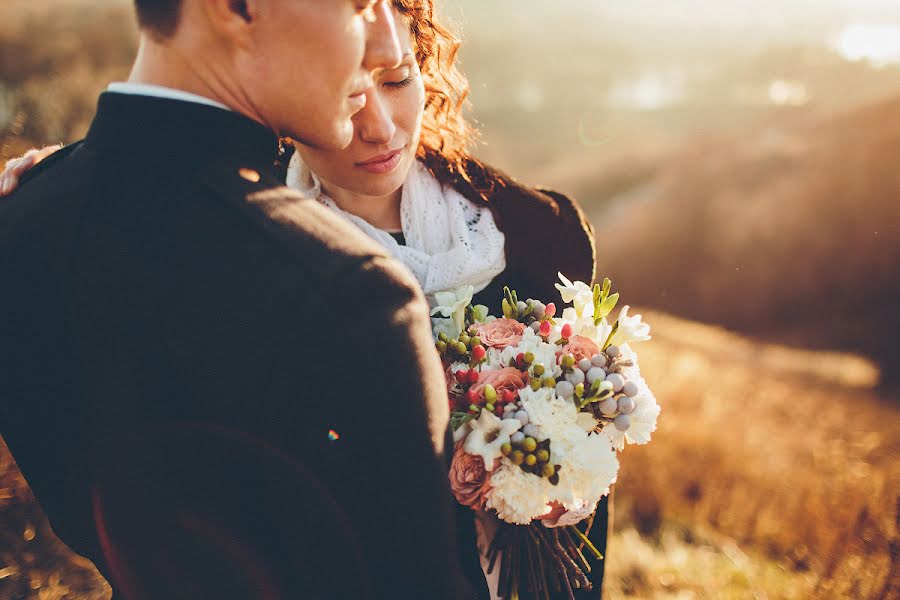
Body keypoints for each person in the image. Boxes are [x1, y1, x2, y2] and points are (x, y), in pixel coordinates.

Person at [2, 1, 608, 598]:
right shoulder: (298, 270)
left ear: (429, 70)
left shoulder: (541, 231)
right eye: (351, 77)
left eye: (396, 79)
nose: (375, 124)